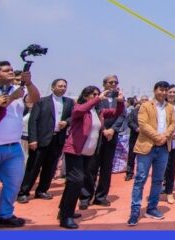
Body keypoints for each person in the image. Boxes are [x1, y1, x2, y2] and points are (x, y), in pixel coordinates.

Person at [0, 61, 40, 230]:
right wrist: (12, 98)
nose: (11, 72)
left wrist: (29, 83)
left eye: (12, 70)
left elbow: (36, 99)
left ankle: (4, 215)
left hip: (13, 146)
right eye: (6, 71)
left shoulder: (17, 91)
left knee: (14, 184)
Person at [58, 85, 125, 229]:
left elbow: (116, 112)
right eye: (93, 94)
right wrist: (97, 99)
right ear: (86, 95)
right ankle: (66, 216)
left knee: (73, 182)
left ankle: (63, 210)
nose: (96, 96)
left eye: (97, 94)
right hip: (75, 150)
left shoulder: (97, 111)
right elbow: (79, 110)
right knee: (76, 180)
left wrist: (120, 101)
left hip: (88, 152)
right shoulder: (80, 108)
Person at [127, 81, 175, 226]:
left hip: (163, 148)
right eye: (161, 90)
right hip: (146, 147)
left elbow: (173, 124)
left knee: (158, 179)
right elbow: (143, 124)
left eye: (165, 90)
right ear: (155, 90)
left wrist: (165, 136)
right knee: (140, 179)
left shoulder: (170, 107)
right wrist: (158, 137)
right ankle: (135, 211)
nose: (163, 93)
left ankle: (152, 208)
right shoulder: (145, 105)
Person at [18, 78, 74, 203]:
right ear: (53, 87)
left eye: (65, 86)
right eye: (60, 86)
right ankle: (24, 191)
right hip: (41, 139)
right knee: (33, 167)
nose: (63, 88)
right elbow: (33, 121)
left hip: (57, 138)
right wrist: (33, 139)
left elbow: (73, 116)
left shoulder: (69, 102)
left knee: (50, 166)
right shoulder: (42, 102)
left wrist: (67, 122)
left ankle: (42, 190)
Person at [79, 75, 126, 209]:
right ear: (104, 84)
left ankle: (101, 197)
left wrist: (112, 130)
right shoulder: (98, 97)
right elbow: (96, 114)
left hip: (111, 137)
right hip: (97, 136)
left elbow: (122, 115)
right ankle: (85, 196)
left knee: (106, 168)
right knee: (91, 168)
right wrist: (104, 129)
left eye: (115, 82)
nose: (113, 84)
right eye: (110, 82)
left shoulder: (120, 98)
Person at [125, 97, 141, 180]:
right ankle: (129, 173)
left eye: (146, 100)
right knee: (131, 156)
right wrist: (136, 128)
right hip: (134, 137)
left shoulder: (150, 112)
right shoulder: (134, 111)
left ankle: (140, 173)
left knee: (142, 157)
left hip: (144, 138)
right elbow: (130, 122)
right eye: (143, 100)